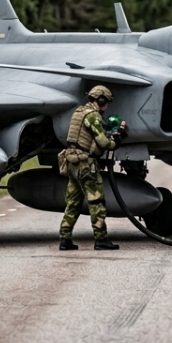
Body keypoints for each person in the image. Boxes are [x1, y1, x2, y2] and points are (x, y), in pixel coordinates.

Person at [58, 85, 128, 251]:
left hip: (72, 162)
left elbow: (86, 137)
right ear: (101, 100)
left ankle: (65, 239)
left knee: (73, 203)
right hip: (85, 165)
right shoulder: (93, 116)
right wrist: (117, 141)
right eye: (106, 102)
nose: (106, 107)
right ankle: (101, 239)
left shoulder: (79, 112)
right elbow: (104, 143)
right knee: (96, 202)